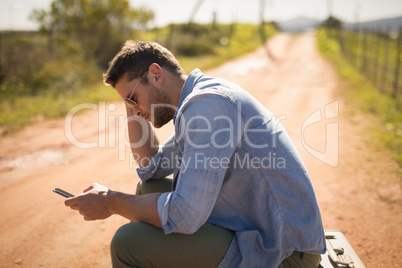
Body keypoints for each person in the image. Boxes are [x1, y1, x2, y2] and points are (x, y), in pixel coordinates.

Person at [65, 40, 326, 268]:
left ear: (156, 74)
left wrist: (112, 202)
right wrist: (130, 102)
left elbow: (184, 215)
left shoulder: (209, 105)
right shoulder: (196, 102)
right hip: (256, 230)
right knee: (149, 187)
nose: (134, 110)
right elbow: (150, 167)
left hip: (283, 254)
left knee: (126, 244)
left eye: (133, 99)